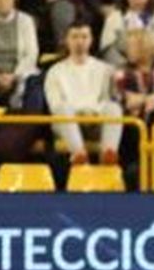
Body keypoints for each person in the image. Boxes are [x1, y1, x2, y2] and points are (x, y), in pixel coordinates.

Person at [44, 20, 123, 165]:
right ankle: (79, 155)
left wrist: (92, 113)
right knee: (62, 109)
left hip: (96, 119)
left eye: (84, 37)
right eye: (74, 37)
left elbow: (107, 99)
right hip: (68, 121)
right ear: (67, 40)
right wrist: (78, 114)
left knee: (114, 108)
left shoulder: (106, 69)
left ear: (91, 40)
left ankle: (108, 155)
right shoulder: (55, 71)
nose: (79, 41)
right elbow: (54, 104)